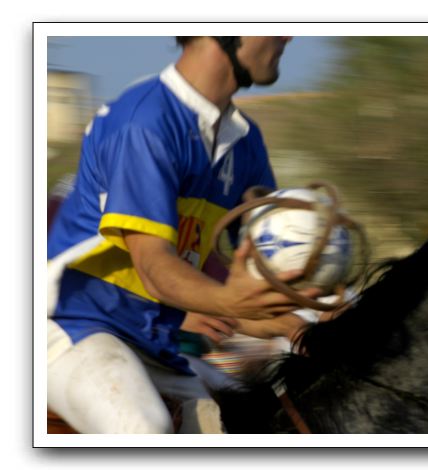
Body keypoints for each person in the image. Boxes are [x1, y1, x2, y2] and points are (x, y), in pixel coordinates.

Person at [46, 36, 321, 434]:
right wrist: (228, 300)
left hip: (156, 342)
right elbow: (155, 268)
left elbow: (263, 273)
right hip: (71, 327)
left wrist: (308, 317)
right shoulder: (144, 121)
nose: (287, 35)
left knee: (263, 423)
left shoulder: (246, 142)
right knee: (145, 430)